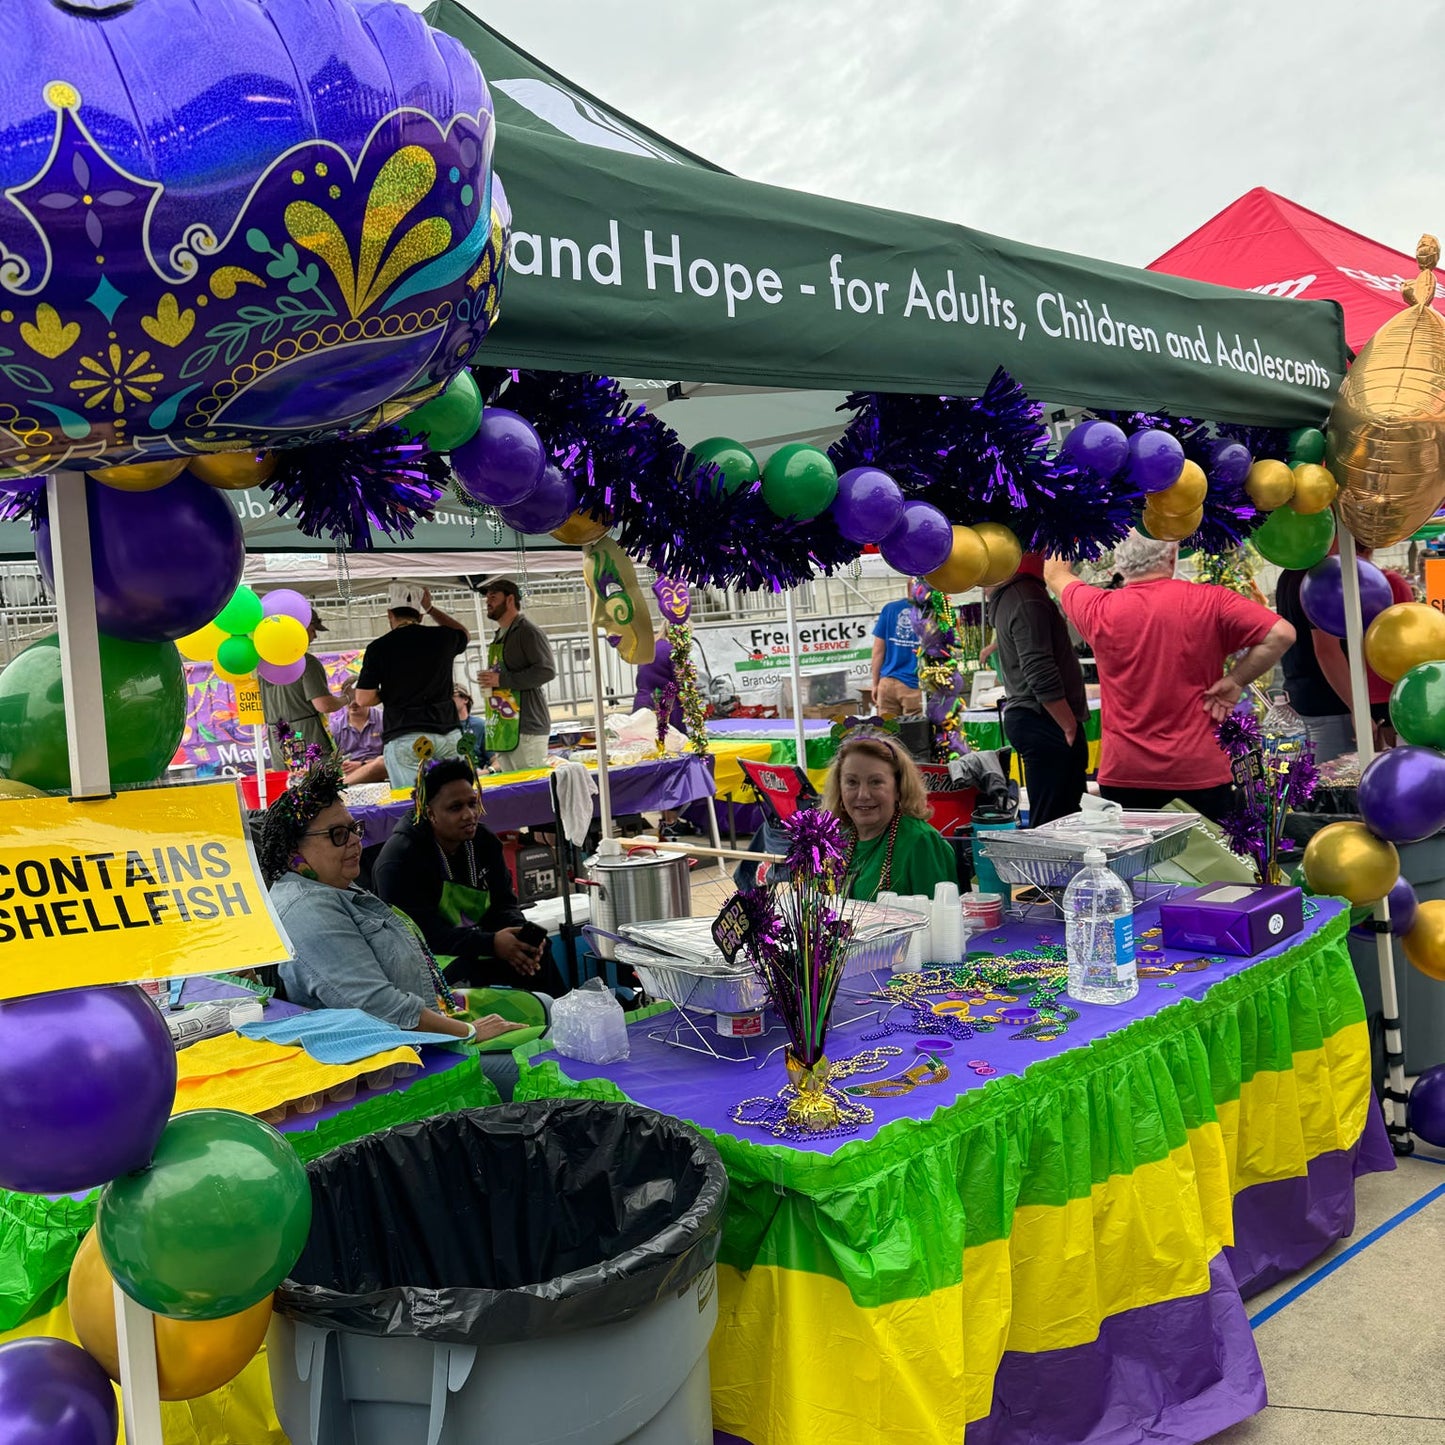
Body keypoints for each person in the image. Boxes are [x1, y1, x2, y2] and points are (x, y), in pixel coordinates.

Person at [259, 757, 529, 1088]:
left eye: (354, 830)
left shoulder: (333, 885)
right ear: (291, 854)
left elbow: (503, 904)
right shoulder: (307, 908)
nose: (356, 842)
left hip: (429, 1029)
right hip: (404, 1059)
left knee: (544, 1007)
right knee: (544, 1060)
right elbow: (377, 1008)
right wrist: (469, 1031)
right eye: (338, 835)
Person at [1044, 532, 1294, 822]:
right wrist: (1236, 680)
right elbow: (1282, 633)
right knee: (1210, 866)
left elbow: (1053, 572)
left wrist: (1075, 517)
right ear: (1173, 557)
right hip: (1200, 771)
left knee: (1136, 865)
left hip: (1127, 773)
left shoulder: (1097, 608)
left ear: (1119, 566)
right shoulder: (1211, 601)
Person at [372, 756, 565, 994]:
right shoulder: (400, 858)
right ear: (430, 813)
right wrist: (492, 944)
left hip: (475, 945)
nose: (469, 815)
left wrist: (518, 934)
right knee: (463, 970)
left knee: (534, 953)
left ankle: (559, 1020)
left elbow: (503, 905)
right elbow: (419, 935)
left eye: (472, 804)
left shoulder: (484, 842)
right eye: (455, 807)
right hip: (426, 960)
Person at [987, 553, 1090, 826]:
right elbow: (1039, 669)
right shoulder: (1027, 597)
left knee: (1057, 816)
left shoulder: (1015, 595)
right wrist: (1067, 723)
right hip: (1043, 717)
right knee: (1057, 822)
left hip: (1034, 715)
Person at [355, 581, 469, 789]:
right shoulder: (443, 637)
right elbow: (464, 634)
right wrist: (432, 607)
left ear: (390, 614)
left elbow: (363, 698)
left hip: (405, 735)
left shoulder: (379, 647)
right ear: (421, 616)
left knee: (413, 805)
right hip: (448, 732)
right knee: (456, 797)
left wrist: (388, 693)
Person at [820, 730, 956, 901]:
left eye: (876, 782)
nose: (863, 794)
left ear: (898, 788)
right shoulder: (838, 840)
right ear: (839, 788)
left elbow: (939, 921)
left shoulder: (921, 841)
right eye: (852, 782)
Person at [475, 576, 556, 772]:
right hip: (505, 726)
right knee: (513, 790)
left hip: (526, 726)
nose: (488, 602)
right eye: (487, 598)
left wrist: (501, 679)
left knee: (530, 789)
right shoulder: (501, 634)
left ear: (510, 599)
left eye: (493, 597)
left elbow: (546, 671)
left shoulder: (527, 632)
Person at [1274, 568, 1353, 765]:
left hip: (1303, 699)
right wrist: (1357, 708)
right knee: (1336, 789)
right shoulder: (1323, 578)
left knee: (1314, 785)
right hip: (1331, 706)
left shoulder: (1289, 575)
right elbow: (1327, 650)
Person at [260, 616, 341, 756]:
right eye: (313, 629)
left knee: (286, 778)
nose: (315, 636)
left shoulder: (261, 664)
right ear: (299, 627)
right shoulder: (307, 663)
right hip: (308, 738)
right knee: (318, 777)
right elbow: (324, 705)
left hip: (277, 741)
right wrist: (347, 697)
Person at [870, 593, 922, 718]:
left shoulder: (890, 609)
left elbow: (878, 651)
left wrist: (875, 684)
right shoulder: (930, 611)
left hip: (887, 683)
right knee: (916, 733)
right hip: (914, 684)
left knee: (886, 733)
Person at [329, 680, 387, 785]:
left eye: (356, 696)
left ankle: (341, 785)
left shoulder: (384, 720)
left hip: (380, 772)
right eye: (348, 698)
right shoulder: (336, 728)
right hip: (349, 776)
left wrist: (362, 765)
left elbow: (391, 758)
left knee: (382, 762)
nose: (353, 703)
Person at [452, 686, 490, 765]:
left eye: (452, 695)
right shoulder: (443, 728)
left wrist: (486, 771)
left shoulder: (480, 725)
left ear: (465, 699)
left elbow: (496, 760)